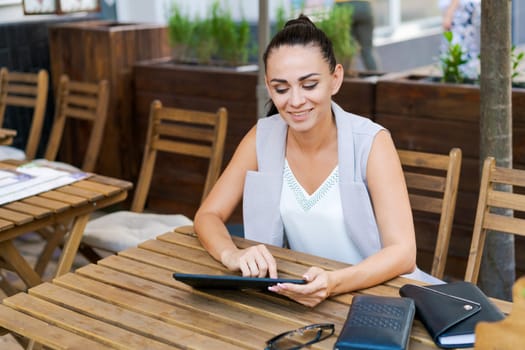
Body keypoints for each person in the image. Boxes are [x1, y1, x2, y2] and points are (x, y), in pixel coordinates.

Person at [194, 14, 439, 308]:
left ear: (336, 78)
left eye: (309, 85)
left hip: (385, 298)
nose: (295, 101)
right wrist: (231, 255)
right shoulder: (262, 137)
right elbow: (207, 215)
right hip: (306, 299)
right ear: (269, 87)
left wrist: (335, 282)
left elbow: (403, 253)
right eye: (281, 88)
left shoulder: (371, 142)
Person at [440, 0, 481, 79]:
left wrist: (449, 14)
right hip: (462, 16)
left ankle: (461, 84)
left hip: (459, 17)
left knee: (459, 55)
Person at [334, 0, 378, 71]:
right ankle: (376, 78)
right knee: (367, 49)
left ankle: (346, 78)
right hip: (364, 6)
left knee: (346, 49)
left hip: (343, 5)